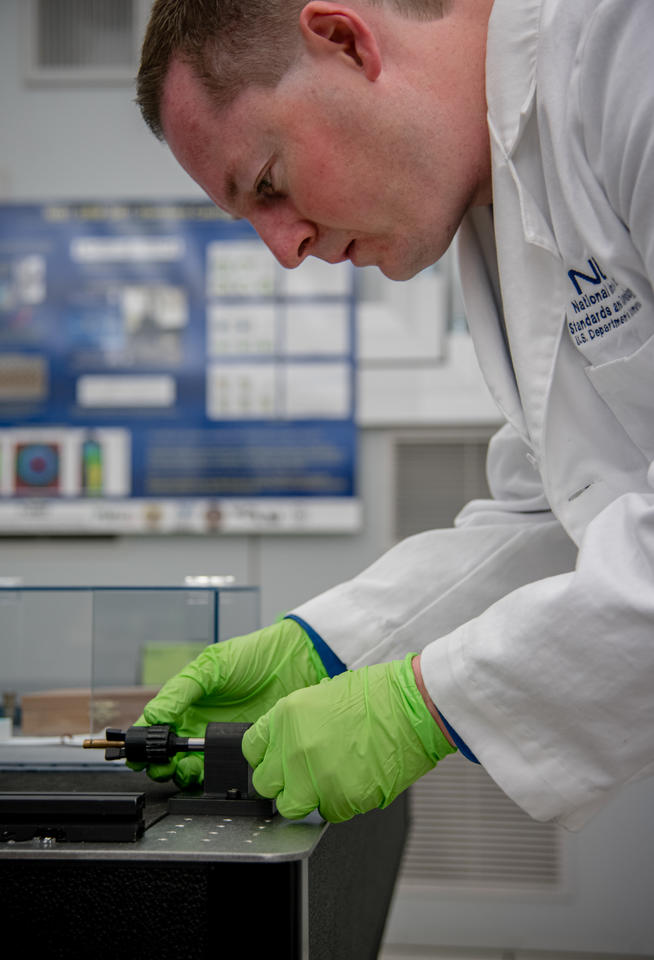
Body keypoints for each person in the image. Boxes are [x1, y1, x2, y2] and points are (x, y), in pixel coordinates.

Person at [131, 0, 654, 829]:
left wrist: (427, 701)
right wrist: (330, 648)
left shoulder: (626, 50)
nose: (284, 248)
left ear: (344, 40)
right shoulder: (494, 194)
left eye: (268, 184)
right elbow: (561, 513)